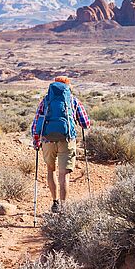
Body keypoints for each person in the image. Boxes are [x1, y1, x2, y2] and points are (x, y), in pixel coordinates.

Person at [31, 76, 90, 212]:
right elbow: (85, 124)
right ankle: (63, 207)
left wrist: (36, 141)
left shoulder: (45, 101)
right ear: (68, 86)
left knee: (50, 170)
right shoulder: (73, 100)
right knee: (64, 174)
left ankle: (55, 202)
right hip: (67, 140)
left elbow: (36, 123)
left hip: (47, 140)